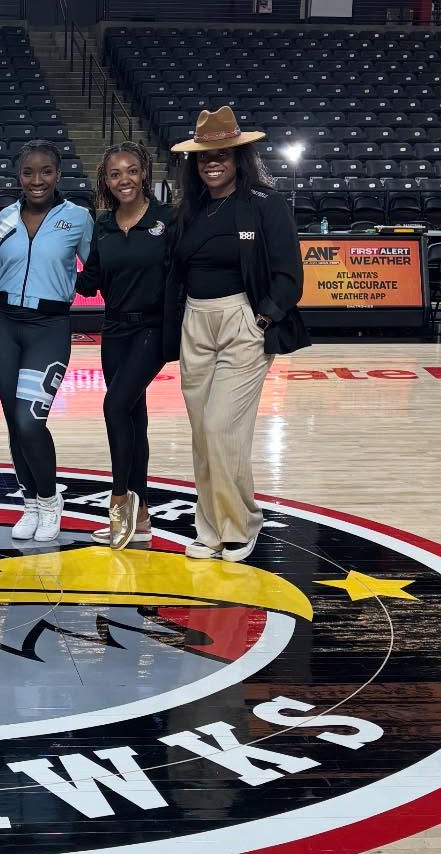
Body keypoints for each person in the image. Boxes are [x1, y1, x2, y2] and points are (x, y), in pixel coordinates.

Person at [162, 106, 307, 564]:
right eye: (204, 156)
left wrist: (261, 319)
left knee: (221, 428)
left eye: (222, 154)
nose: (212, 163)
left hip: (242, 322)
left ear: (239, 157)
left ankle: (241, 524)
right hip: (195, 323)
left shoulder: (265, 204)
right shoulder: (189, 211)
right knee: (202, 436)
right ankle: (211, 528)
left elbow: (289, 273)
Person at [0, 140, 94, 543]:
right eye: (28, 172)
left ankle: (50, 501)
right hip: (4, 325)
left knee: (30, 421)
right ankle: (30, 502)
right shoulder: (5, 217)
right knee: (13, 422)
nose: (37, 180)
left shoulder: (77, 218)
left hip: (49, 327)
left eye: (46, 171)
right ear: (19, 176)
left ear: (58, 175)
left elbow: (97, 269)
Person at [76, 141, 171, 550]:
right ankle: (143, 514)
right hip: (113, 330)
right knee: (134, 417)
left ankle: (119, 500)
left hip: (153, 329)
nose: (124, 180)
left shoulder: (167, 219)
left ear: (144, 172)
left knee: (114, 407)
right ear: (106, 180)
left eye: (131, 170)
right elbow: (90, 280)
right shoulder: (103, 224)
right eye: (115, 174)